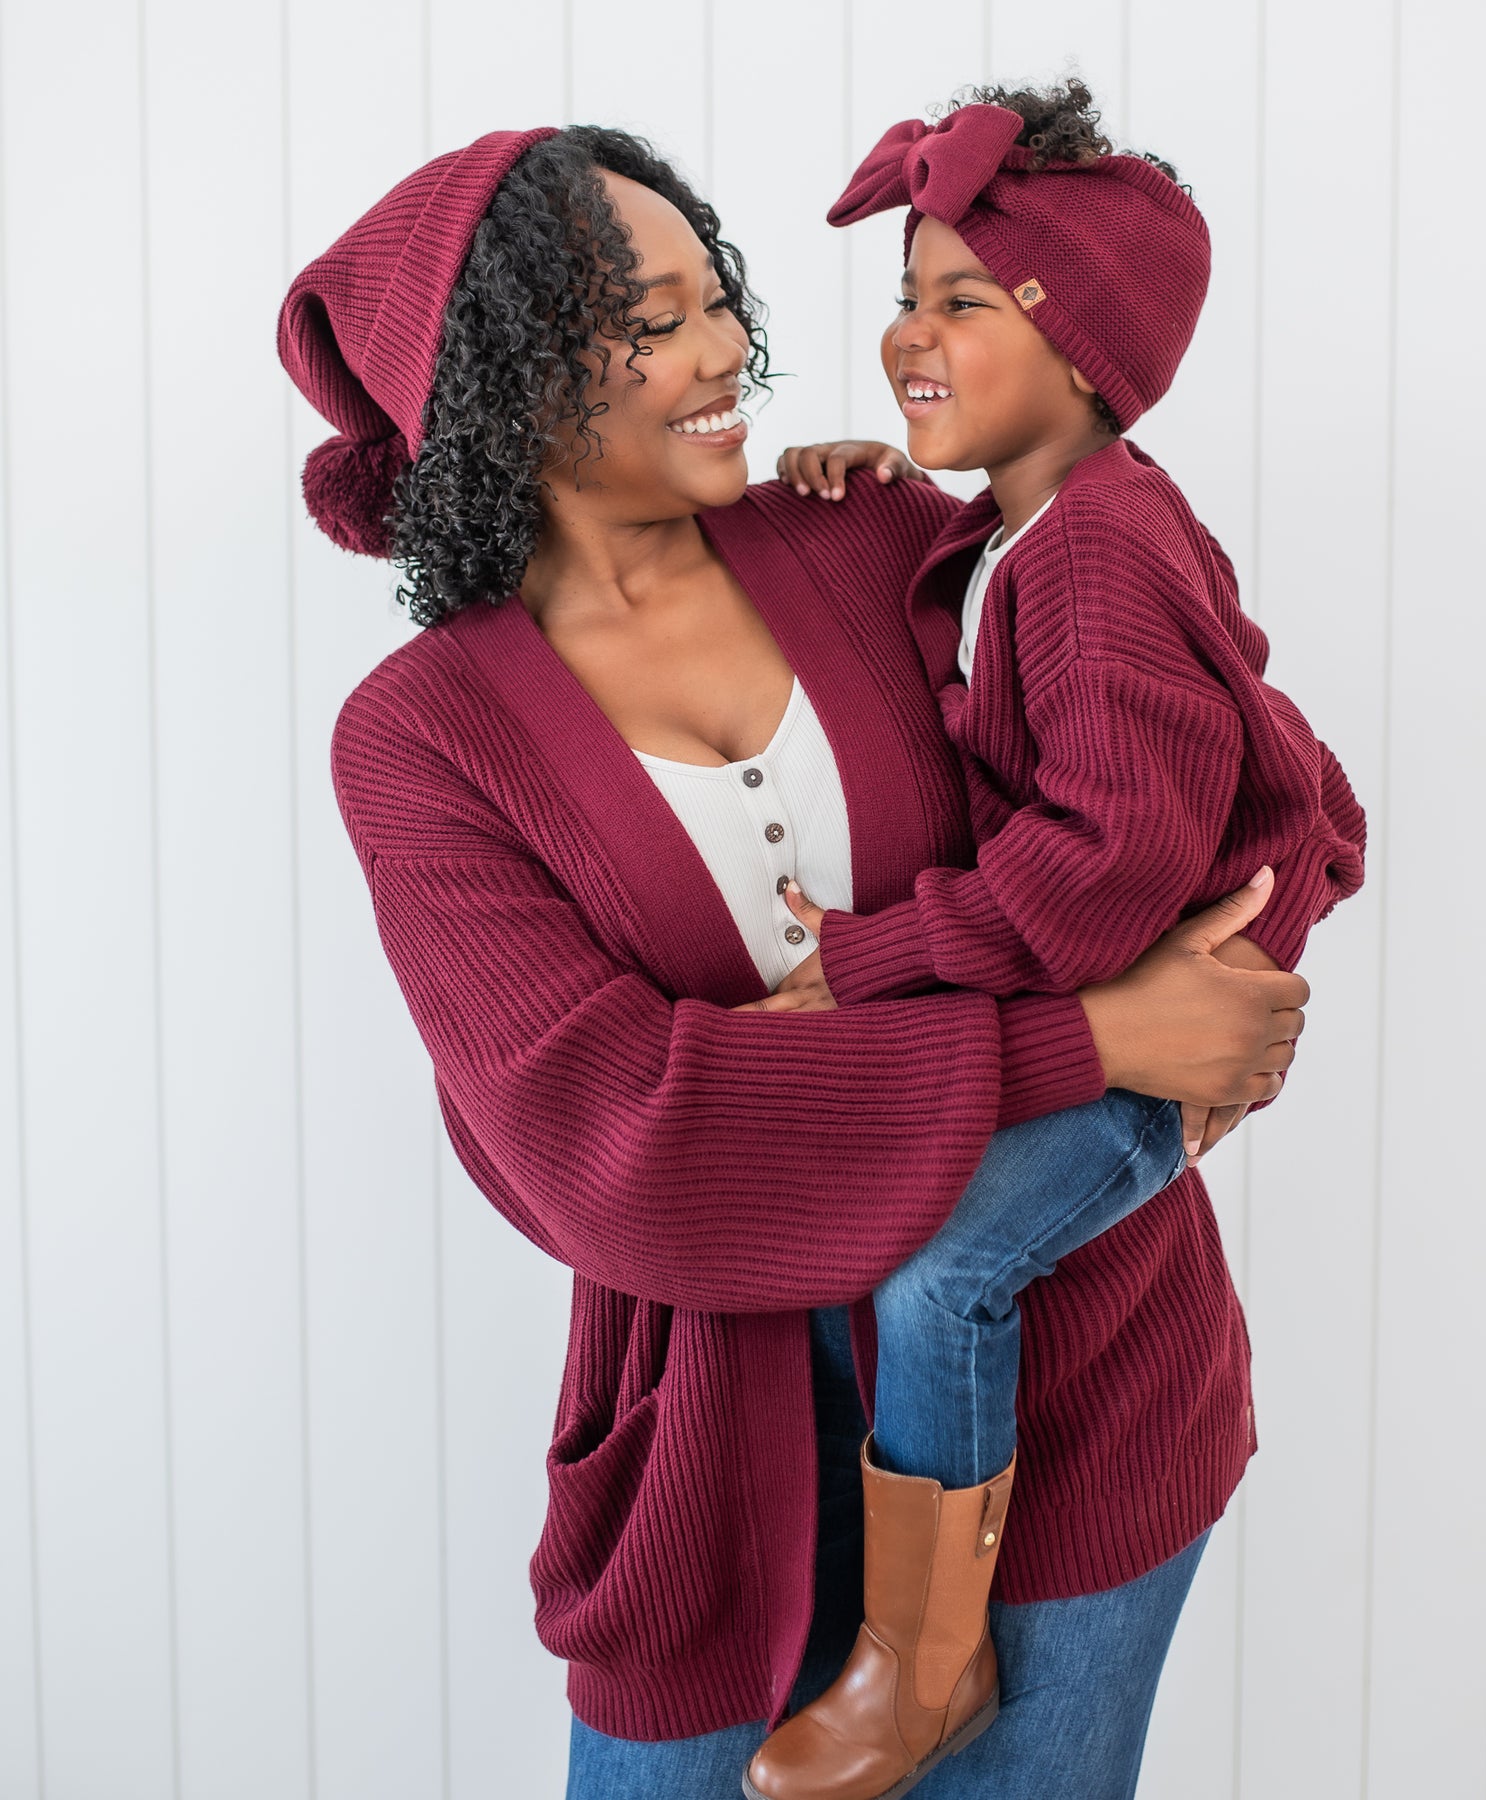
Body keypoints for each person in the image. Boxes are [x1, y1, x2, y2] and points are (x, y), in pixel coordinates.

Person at [280, 124, 1306, 1800]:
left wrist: (1235, 987)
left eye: (717, 304)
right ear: (507, 374)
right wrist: (1096, 1041)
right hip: (708, 1469)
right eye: (654, 321)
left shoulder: (875, 540)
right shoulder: (423, 741)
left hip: (1077, 1379)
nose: (724, 356)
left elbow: (1182, 786)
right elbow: (617, 1134)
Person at [745, 84, 1366, 1800]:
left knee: (943, 1268)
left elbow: (1099, 873)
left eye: (965, 301)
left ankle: (918, 1665)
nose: (908, 335)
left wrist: (876, 957)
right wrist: (876, 496)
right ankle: (917, 1644)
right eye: (904, 294)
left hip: (1158, 1017)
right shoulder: (1036, 530)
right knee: (928, 1257)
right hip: (1128, 996)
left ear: (1082, 347)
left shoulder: (1091, 553)